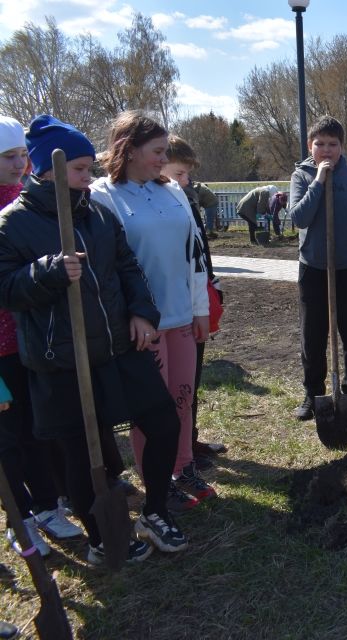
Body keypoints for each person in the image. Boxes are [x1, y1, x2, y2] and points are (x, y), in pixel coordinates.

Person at [0, 114, 188, 563]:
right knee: (80, 456)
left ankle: (155, 510)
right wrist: (44, 273)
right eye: (81, 169)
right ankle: (103, 537)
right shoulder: (12, 224)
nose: (90, 177)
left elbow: (128, 268)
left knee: (163, 422)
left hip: (116, 349)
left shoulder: (98, 215)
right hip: (61, 360)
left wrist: (143, 313)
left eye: (89, 169)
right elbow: (6, 288)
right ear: (47, 170)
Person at [89, 111, 215, 512]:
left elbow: (194, 253)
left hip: (181, 314)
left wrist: (199, 309)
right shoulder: (101, 196)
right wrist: (130, 316)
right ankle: (157, 478)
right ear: (128, 149)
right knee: (153, 407)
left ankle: (184, 466)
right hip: (142, 323)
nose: (164, 159)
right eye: (157, 152)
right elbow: (106, 268)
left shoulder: (173, 192)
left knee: (182, 396)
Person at [0, 116, 82, 559]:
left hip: (31, 337)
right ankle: (22, 515)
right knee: (7, 437)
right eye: (9, 158)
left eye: (20, 156)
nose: (20, 165)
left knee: (39, 428)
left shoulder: (26, 201)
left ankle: (50, 504)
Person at [287, 115, 347, 422]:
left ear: (342, 146)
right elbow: (299, 219)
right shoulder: (300, 177)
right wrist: (318, 181)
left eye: (333, 144)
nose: (326, 151)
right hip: (313, 270)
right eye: (320, 144)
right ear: (310, 146)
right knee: (312, 337)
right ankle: (313, 395)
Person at [160, 136, 227, 469]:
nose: (186, 180)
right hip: (170, 311)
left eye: (187, 174)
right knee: (174, 385)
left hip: (195, 302)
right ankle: (173, 451)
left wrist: (210, 286)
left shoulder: (185, 198)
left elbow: (200, 251)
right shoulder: (160, 205)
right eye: (180, 172)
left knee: (191, 377)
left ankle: (190, 439)